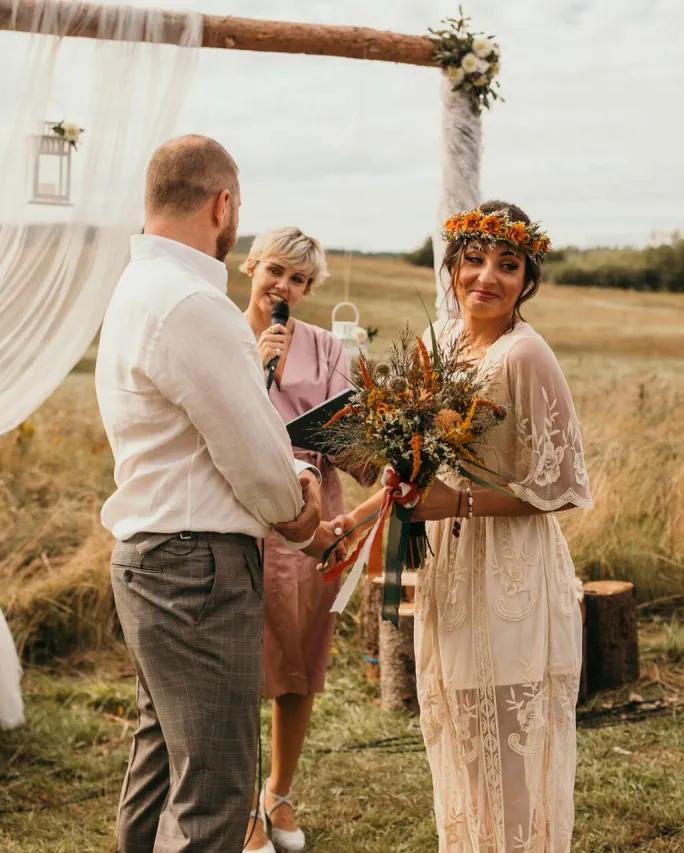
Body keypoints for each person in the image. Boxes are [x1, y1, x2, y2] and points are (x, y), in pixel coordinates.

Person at [96, 135, 335, 853]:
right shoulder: (192, 302)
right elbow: (254, 454)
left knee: (159, 767)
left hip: (150, 558)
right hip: (195, 569)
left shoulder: (136, 289)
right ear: (222, 204)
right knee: (215, 792)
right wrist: (300, 497)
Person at [343, 200, 592, 852]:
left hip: (511, 569)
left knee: (509, 746)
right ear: (452, 264)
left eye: (507, 265)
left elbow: (558, 489)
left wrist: (458, 506)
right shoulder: (438, 343)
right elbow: (419, 471)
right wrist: (361, 515)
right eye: (473, 259)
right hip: (449, 570)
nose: (486, 276)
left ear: (527, 278)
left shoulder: (526, 355)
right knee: (458, 734)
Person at [238, 228, 375, 853]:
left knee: (296, 661)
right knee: (238, 667)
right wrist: (257, 371)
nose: (284, 288)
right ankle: (238, 807)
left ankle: (279, 793)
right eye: (276, 272)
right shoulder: (223, 335)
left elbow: (347, 444)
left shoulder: (325, 348)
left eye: (299, 280)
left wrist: (395, 447)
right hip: (239, 512)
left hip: (312, 516)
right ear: (250, 268)